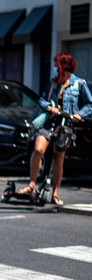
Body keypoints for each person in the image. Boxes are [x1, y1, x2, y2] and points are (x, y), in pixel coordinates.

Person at [18, 53, 92, 205]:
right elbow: (42, 99)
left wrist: (79, 114)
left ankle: (55, 194)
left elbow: (90, 104)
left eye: (59, 68)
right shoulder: (53, 83)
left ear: (66, 68)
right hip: (49, 122)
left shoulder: (79, 84)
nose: (57, 72)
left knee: (59, 159)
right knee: (38, 150)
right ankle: (32, 184)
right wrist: (50, 107)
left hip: (66, 124)